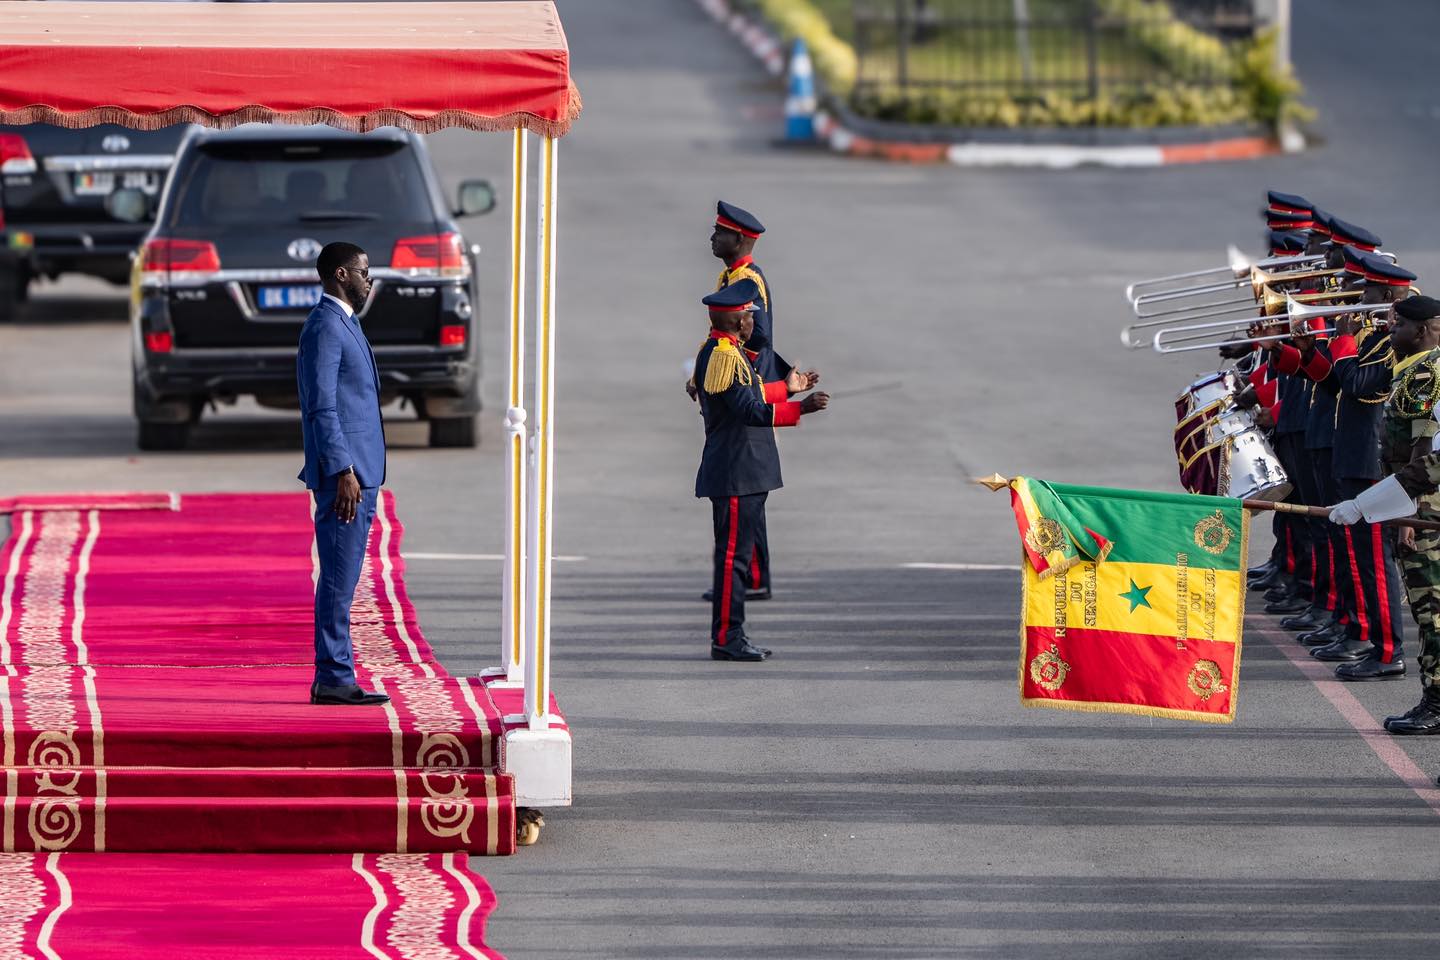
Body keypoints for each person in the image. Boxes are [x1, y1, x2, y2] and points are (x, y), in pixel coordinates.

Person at [1280, 250, 1415, 679]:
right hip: (1348, 454)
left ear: (1388, 295)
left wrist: (1342, 341)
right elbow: (1335, 381)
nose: (1357, 300)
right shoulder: (1372, 339)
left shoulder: (1389, 343)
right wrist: (1306, 352)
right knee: (1348, 549)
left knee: (1372, 560)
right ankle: (1359, 631)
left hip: (1368, 460)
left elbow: (1359, 386)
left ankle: (1387, 649)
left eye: (1368, 291)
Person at [694, 279, 826, 661]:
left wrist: (787, 389)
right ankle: (726, 637)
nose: (755, 322)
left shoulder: (729, 352)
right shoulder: (722, 355)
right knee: (733, 557)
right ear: (738, 320)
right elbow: (748, 410)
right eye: (751, 315)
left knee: (736, 556)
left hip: (744, 469)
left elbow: (750, 394)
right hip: (737, 470)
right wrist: (801, 409)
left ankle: (732, 634)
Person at [1331, 296, 1440, 730]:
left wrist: (1384, 506)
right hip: (1414, 504)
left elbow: (1425, 448)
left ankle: (1436, 704)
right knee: (1427, 611)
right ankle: (1433, 698)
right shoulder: (1417, 369)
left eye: (1397, 328)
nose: (1390, 333)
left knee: (1432, 612)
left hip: (1425, 510)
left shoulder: (1429, 374)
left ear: (1422, 329)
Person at [297, 241, 390, 706]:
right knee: (337, 578)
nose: (369, 280)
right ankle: (333, 675)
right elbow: (322, 406)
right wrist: (343, 469)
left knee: (345, 577)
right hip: (346, 479)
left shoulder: (345, 322)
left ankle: (336, 672)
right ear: (340, 274)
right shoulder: (325, 327)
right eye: (363, 271)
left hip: (360, 472)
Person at [698, 201, 792, 603]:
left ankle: (752, 576)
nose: (712, 237)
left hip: (749, 388)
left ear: (738, 239)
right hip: (742, 381)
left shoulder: (747, 279)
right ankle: (755, 576)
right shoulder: (732, 274)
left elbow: (758, 337)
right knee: (746, 495)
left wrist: (731, 373)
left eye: (719, 233)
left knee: (743, 490)